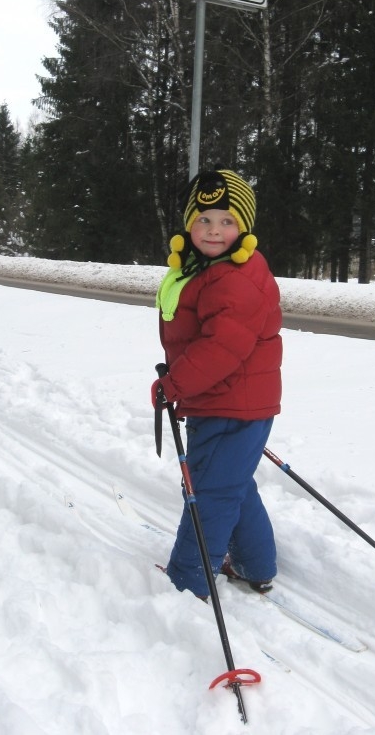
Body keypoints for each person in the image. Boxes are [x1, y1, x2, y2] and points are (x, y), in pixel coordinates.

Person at [152, 167, 282, 600]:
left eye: (227, 221)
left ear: (243, 227)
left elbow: (221, 349)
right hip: (226, 401)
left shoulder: (236, 278)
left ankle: (189, 579)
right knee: (232, 483)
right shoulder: (209, 267)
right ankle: (255, 565)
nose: (213, 230)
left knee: (209, 492)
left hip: (229, 404)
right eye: (203, 219)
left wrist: (175, 384)